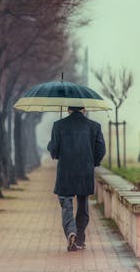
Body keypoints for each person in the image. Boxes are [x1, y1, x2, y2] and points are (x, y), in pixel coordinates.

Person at [47, 106, 106, 252]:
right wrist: (93, 162)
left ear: (68, 110)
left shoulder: (58, 125)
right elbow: (101, 150)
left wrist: (53, 148)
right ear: (84, 109)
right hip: (85, 171)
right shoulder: (94, 126)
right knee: (82, 204)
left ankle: (71, 231)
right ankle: (79, 239)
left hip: (66, 171)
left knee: (66, 203)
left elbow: (54, 150)